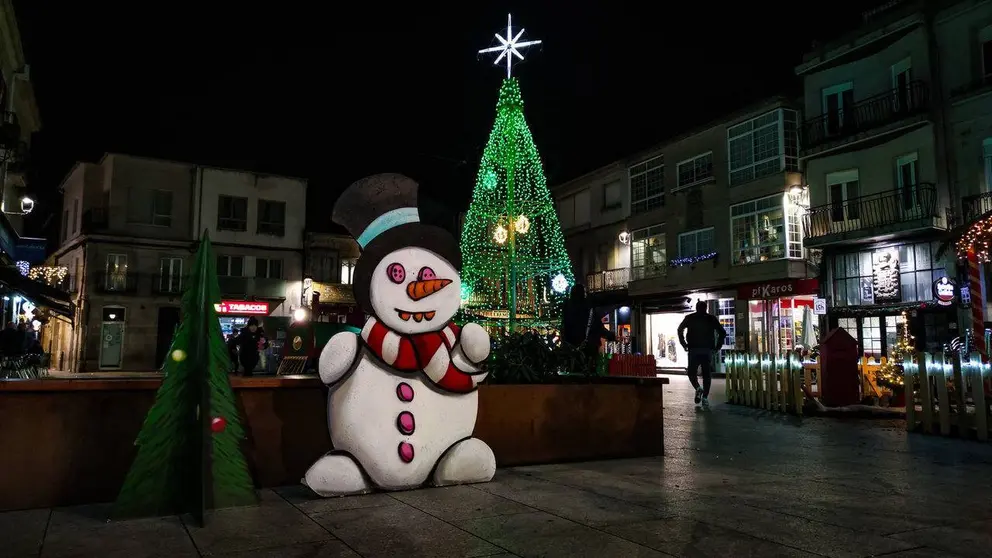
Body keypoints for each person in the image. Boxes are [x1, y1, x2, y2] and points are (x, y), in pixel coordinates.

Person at [677, 301, 727, 408]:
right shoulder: (711, 318)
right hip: (707, 350)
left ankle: (698, 388)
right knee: (706, 375)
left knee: (691, 373)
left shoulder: (690, 318)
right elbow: (722, 333)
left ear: (696, 308)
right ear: (706, 308)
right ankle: (705, 398)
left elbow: (680, 329)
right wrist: (717, 348)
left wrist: (684, 343)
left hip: (693, 350)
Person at [561, 284, 616, 372]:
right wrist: (611, 336)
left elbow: (564, 327)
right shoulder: (588, 307)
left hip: (571, 348)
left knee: (574, 372)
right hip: (588, 346)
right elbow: (597, 326)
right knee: (589, 371)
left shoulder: (567, 307)